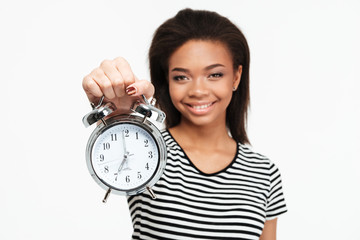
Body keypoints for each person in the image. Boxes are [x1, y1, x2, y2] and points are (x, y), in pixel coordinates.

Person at [82, 8, 287, 240]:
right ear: (166, 81)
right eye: (181, 77)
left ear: (236, 76)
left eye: (215, 75)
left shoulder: (264, 172)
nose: (198, 91)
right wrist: (120, 117)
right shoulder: (150, 153)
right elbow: (116, 153)